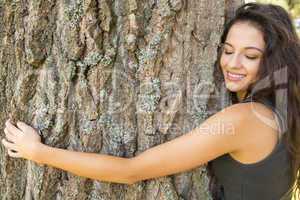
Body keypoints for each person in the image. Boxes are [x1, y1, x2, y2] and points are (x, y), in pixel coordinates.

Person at [1, 3, 299, 200]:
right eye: (228, 49)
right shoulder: (284, 110)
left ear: (273, 61)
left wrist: (38, 152)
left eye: (250, 56)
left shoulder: (245, 119)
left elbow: (131, 171)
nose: (232, 63)